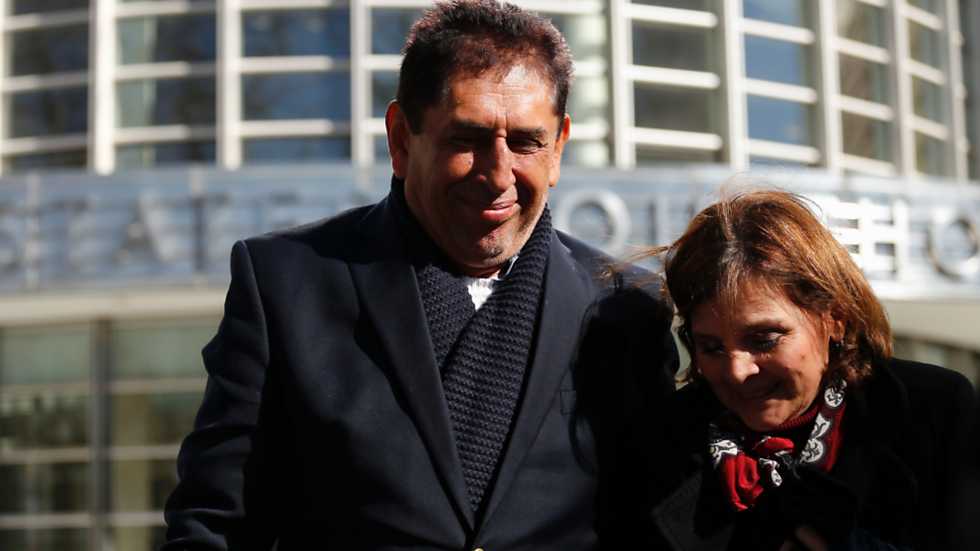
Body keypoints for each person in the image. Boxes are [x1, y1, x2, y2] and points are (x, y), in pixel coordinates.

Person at [161, 1, 677, 549]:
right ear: (401, 139)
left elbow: (652, 529)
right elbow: (215, 526)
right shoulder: (287, 287)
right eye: (466, 139)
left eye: (526, 142)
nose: (498, 175)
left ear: (559, 147)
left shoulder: (625, 309)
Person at [615, 189, 977, 550]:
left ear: (834, 318)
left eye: (764, 340)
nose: (737, 370)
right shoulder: (662, 443)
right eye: (712, 348)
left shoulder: (933, 412)